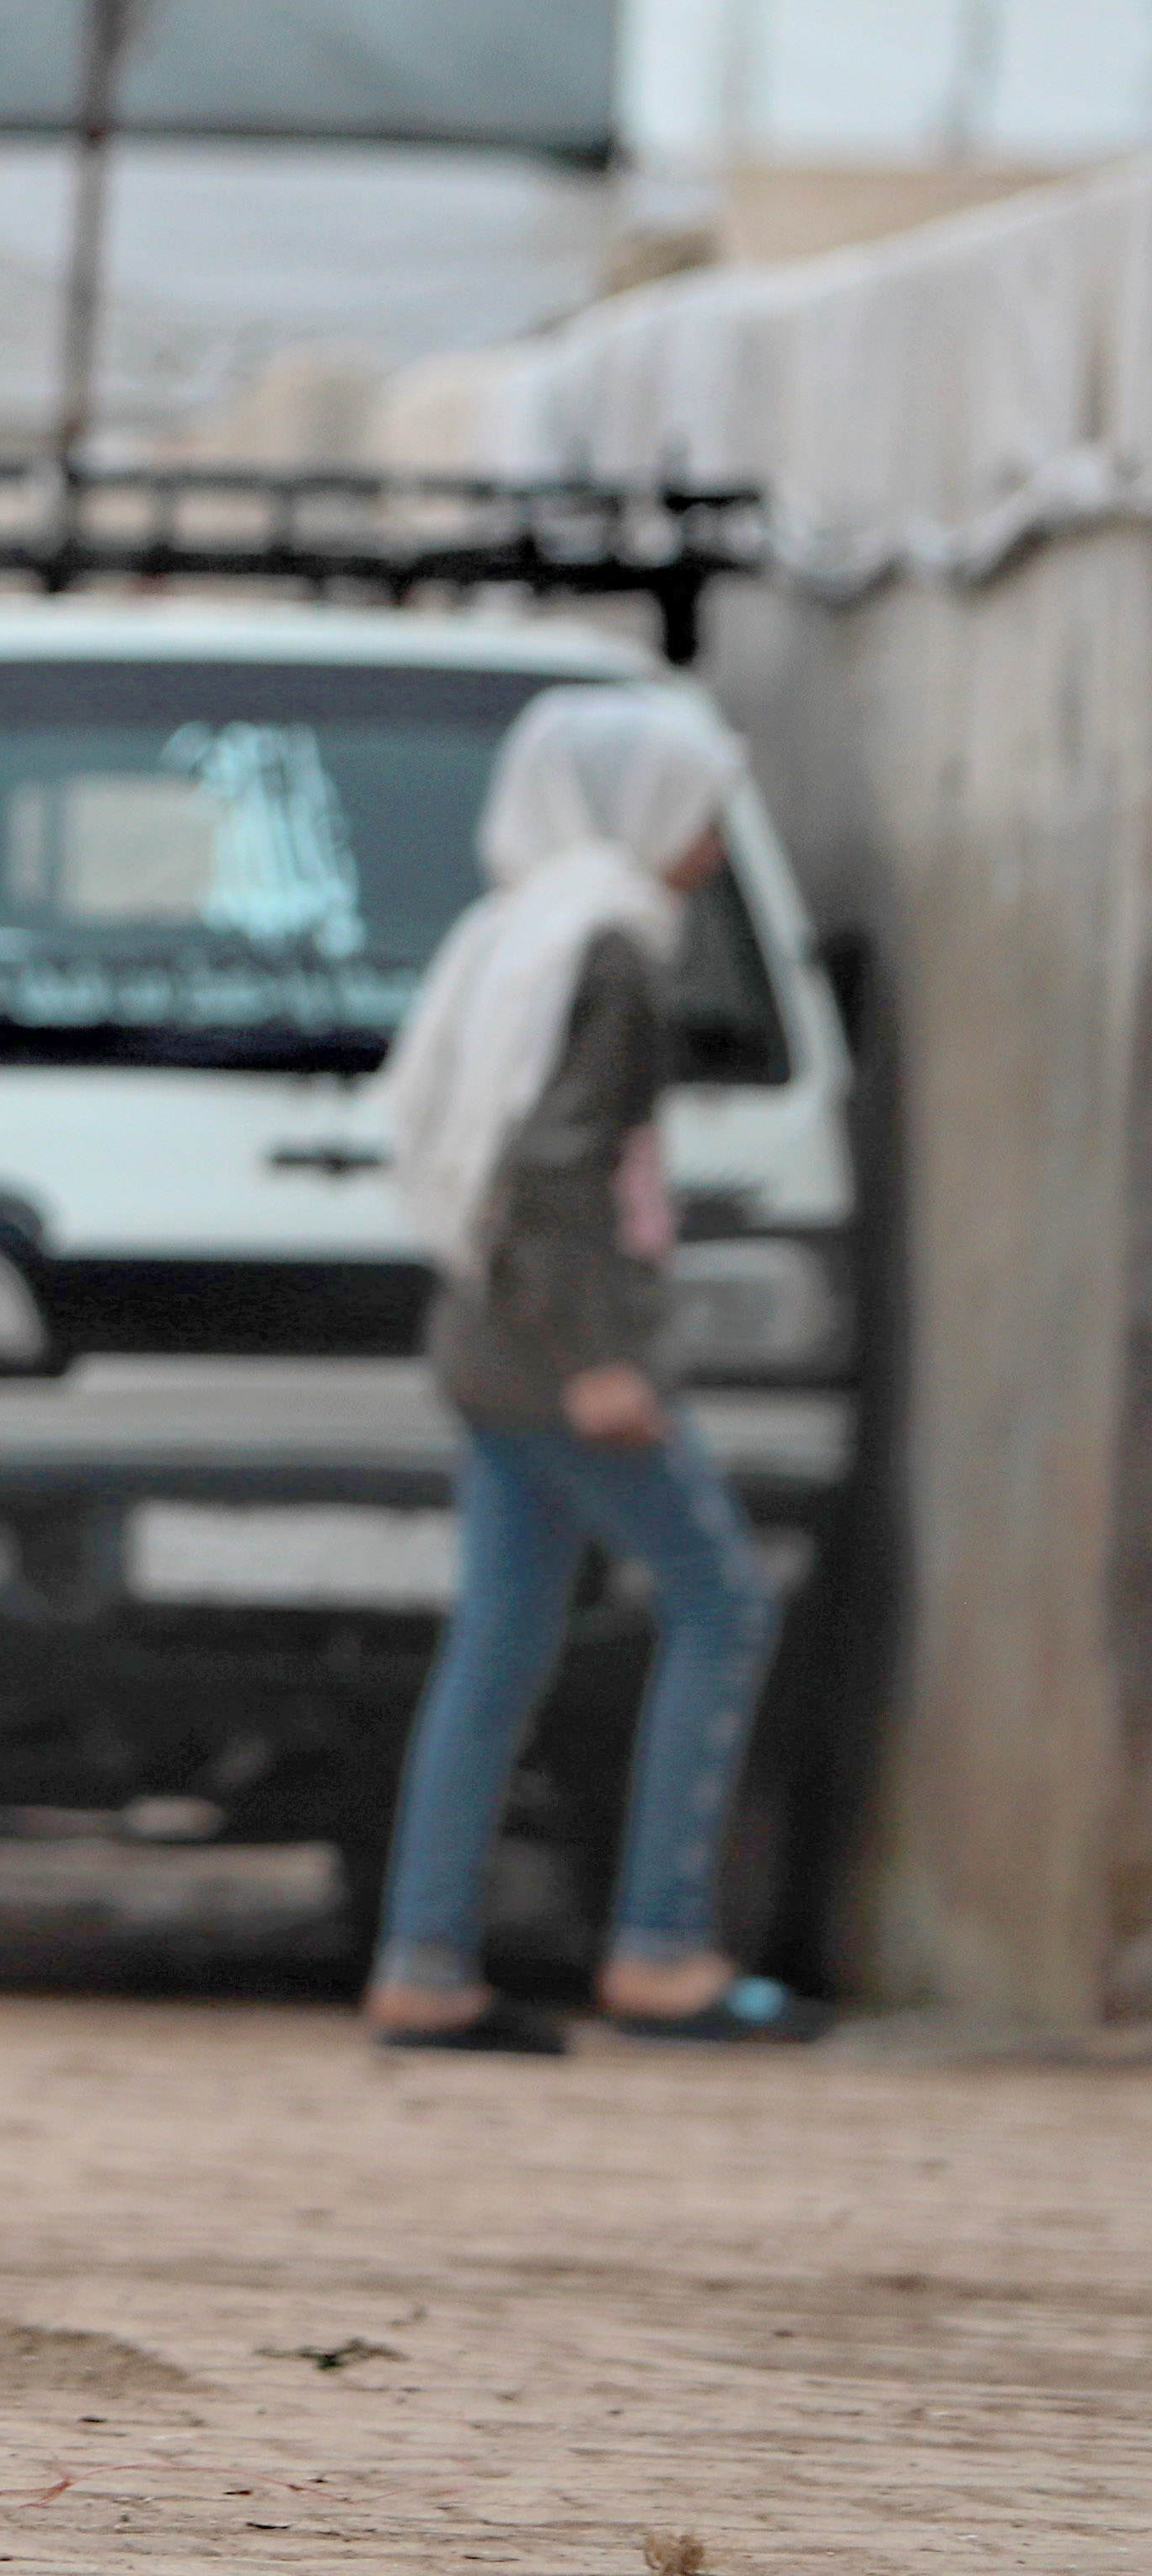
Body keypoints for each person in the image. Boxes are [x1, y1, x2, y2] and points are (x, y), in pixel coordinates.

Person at [360, 682, 824, 2055]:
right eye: (695, 813)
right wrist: (598, 1361)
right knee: (720, 1602)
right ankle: (660, 1948)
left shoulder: (516, 931)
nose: (706, 844)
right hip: (555, 1351)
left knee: (500, 1639)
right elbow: (558, 1168)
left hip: (487, 1333)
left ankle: (424, 1962)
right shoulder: (606, 950)